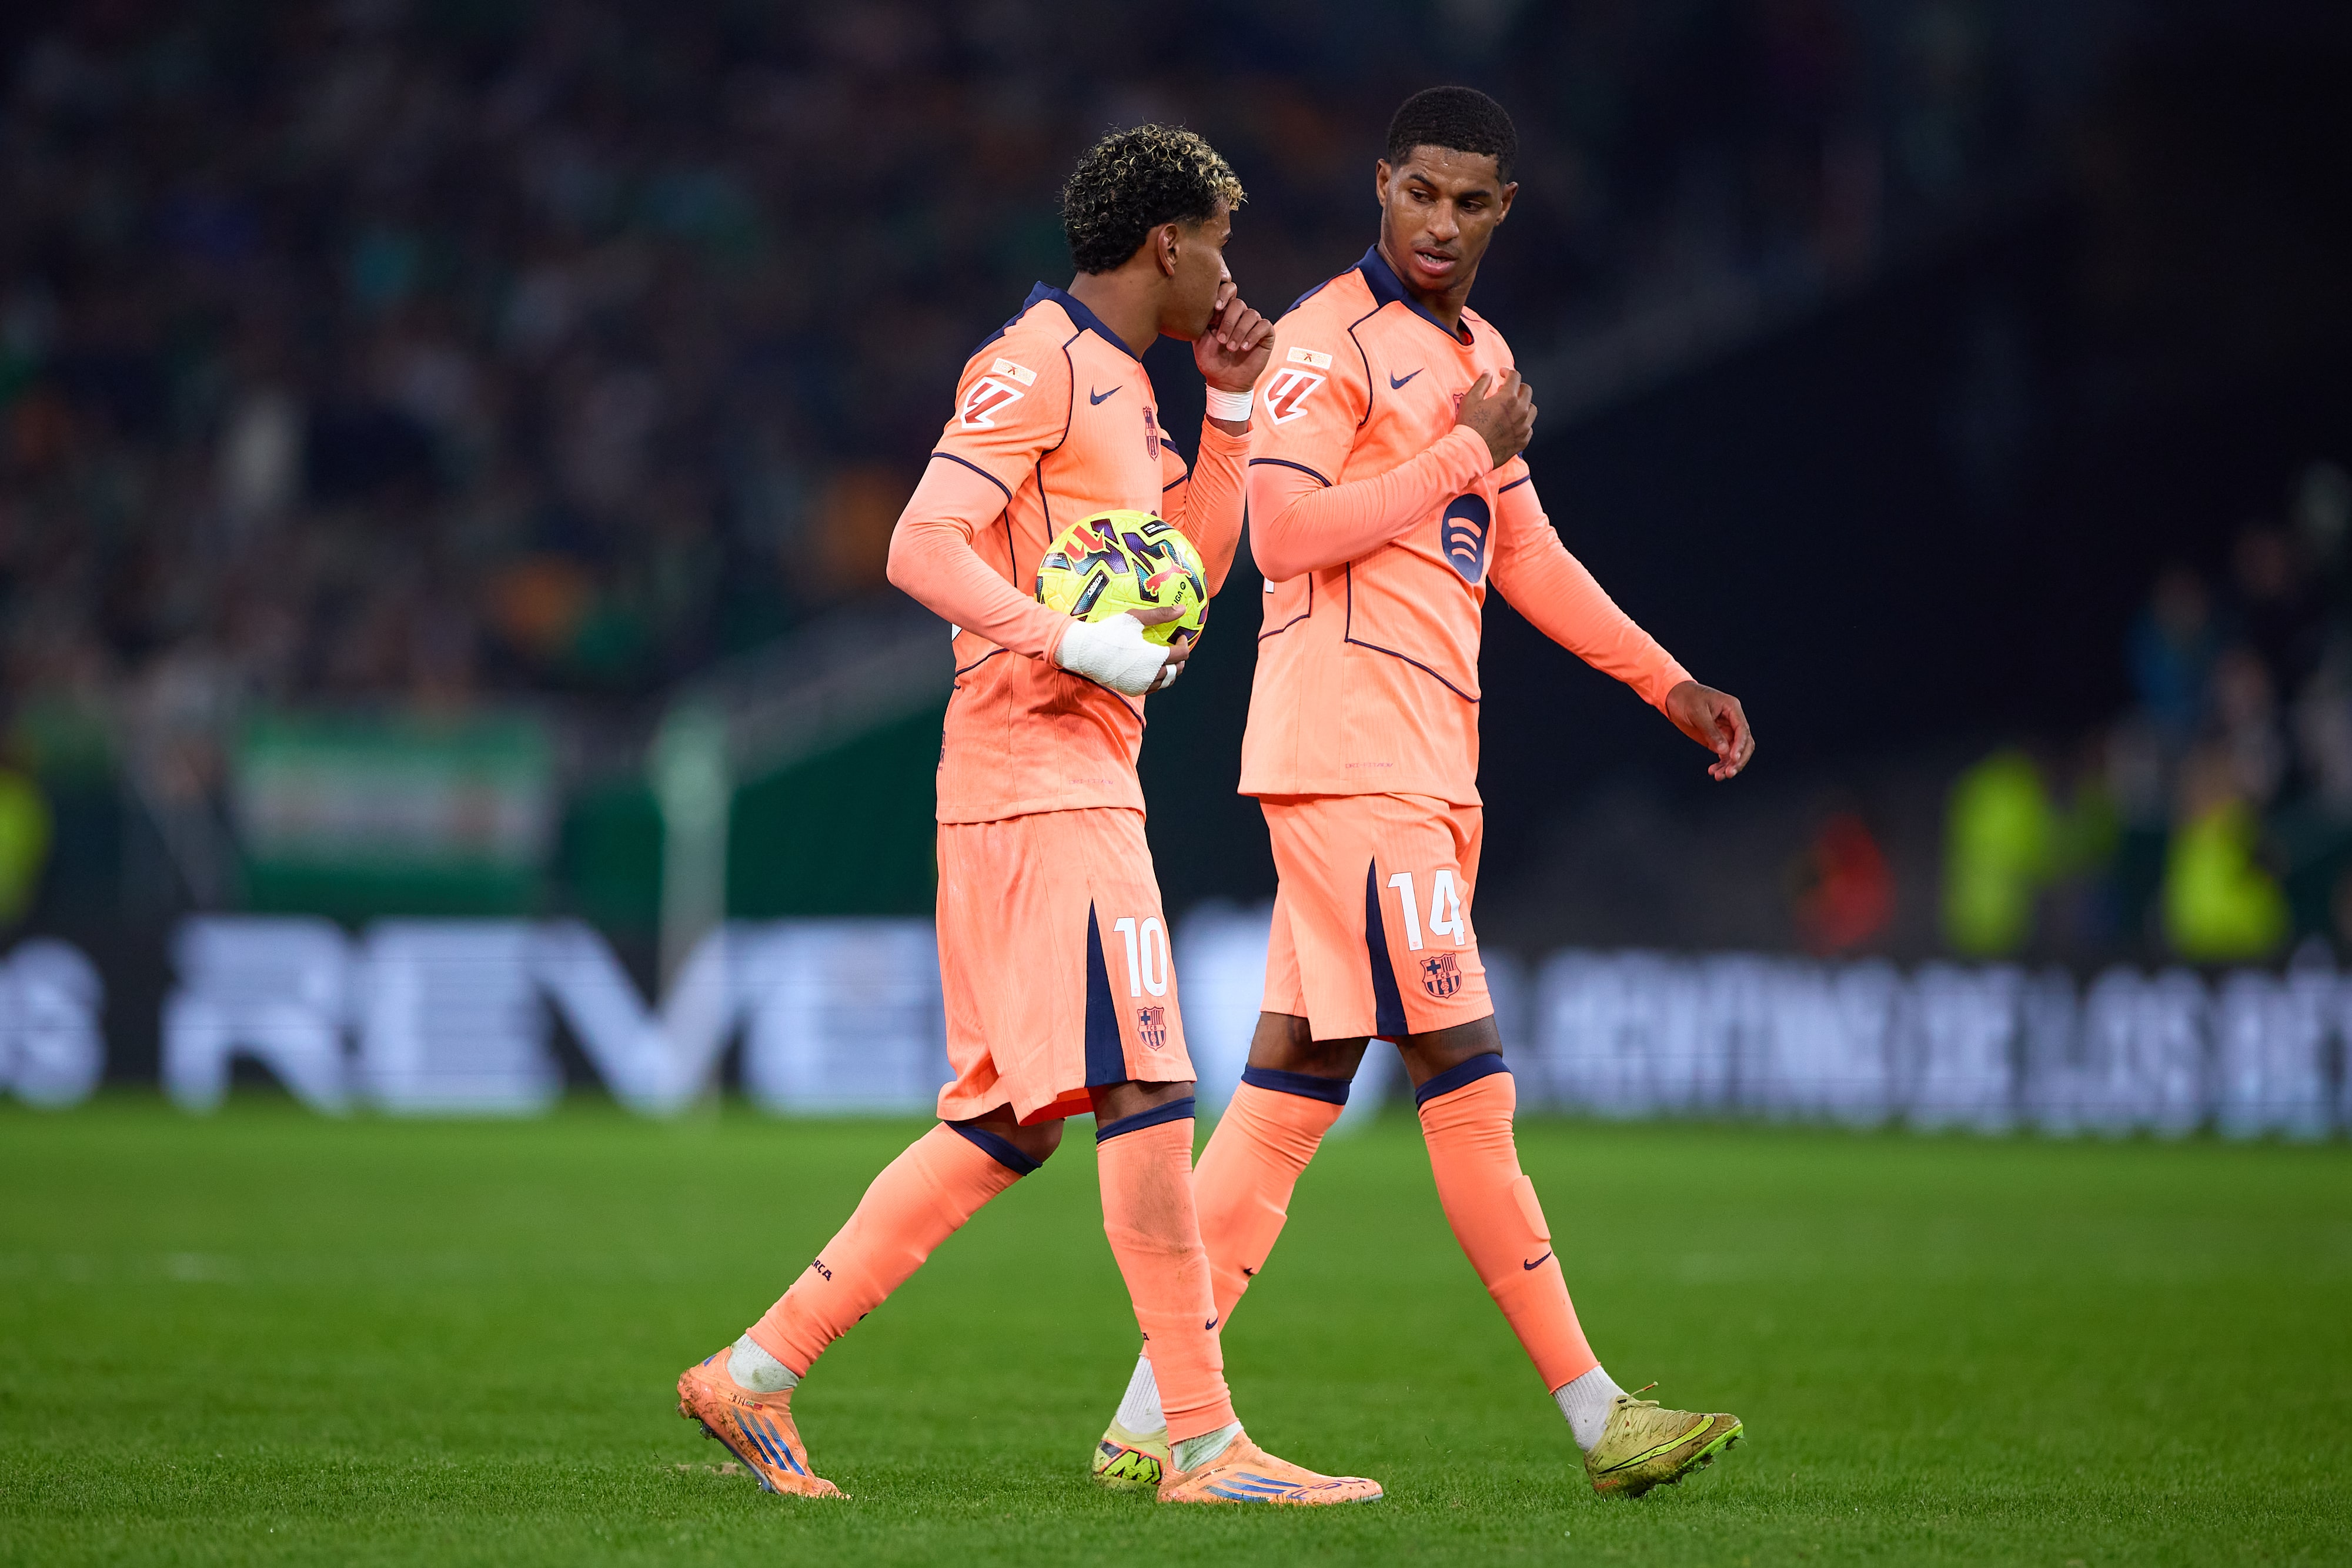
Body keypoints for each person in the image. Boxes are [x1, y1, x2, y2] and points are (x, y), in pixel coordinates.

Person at [674, 125, 1381, 1507]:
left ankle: (755, 1369)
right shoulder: (1034, 363)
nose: (1230, 273)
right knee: (1147, 1083)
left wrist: (1230, 411)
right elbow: (917, 543)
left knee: (1006, 1121)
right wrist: (1067, 641)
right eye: (1218, 244)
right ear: (1166, 242)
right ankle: (1199, 1439)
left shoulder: (1129, 382)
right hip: (1036, 775)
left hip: (1059, 778)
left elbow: (1193, 571)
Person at [1088, 88, 1755, 1501]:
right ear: (1380, 187)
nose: (1440, 221)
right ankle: (1598, 1414)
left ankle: (1150, 1411)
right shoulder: (1326, 344)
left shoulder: (1484, 354)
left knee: (1288, 1091)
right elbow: (1280, 530)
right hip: (1353, 762)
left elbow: (1527, 555)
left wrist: (1669, 682)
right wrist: (1463, 447)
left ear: (1502, 208)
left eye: (1470, 200)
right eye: (1419, 193)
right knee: (1467, 1076)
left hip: (1416, 768)